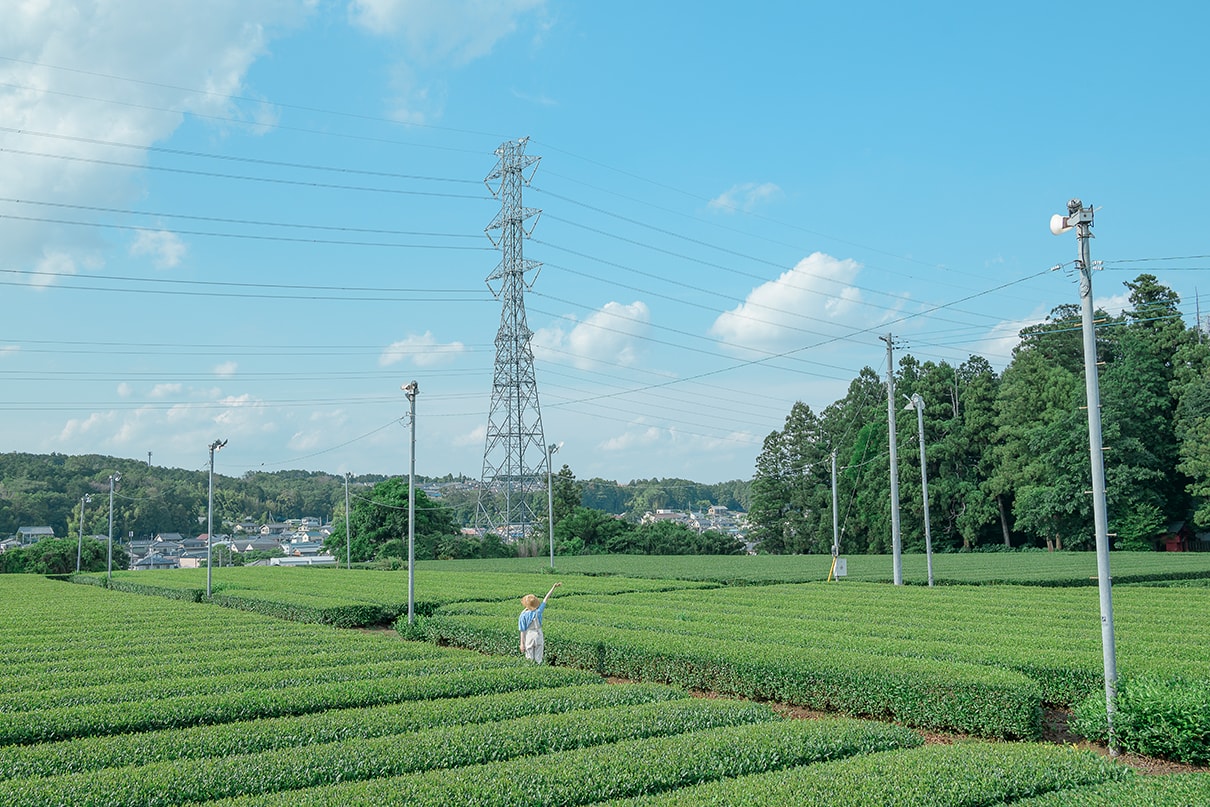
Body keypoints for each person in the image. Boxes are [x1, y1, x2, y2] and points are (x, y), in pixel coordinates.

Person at [518, 582, 561, 663]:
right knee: (538, 659)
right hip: (538, 634)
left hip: (529, 636)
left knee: (529, 658)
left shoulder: (522, 615)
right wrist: (553, 587)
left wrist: (522, 644)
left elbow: (522, 631)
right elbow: (545, 599)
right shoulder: (539, 611)